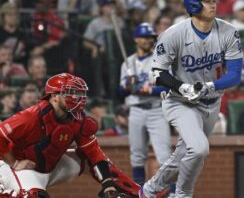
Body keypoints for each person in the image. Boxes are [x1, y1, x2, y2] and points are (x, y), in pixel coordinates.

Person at [140, 0, 243, 197]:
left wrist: (209, 87)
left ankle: (149, 190)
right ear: (193, 5)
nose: (213, 5)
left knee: (184, 155)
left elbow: (235, 75)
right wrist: (182, 87)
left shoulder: (229, 31)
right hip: (180, 101)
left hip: (211, 101)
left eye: (214, 0)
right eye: (207, 1)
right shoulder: (173, 34)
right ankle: (183, 194)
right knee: (198, 149)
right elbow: (158, 72)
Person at [0, 73, 140, 197]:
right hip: (21, 167)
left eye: (79, 94)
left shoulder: (78, 119)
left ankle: (140, 193)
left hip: (50, 166)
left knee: (96, 160)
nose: (78, 98)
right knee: (33, 195)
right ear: (54, 96)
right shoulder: (31, 117)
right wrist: (14, 162)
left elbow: (94, 154)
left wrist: (107, 182)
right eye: (71, 93)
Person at [119, 22, 172, 189]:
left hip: (157, 110)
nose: (148, 40)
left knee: (164, 157)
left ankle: (172, 193)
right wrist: (127, 87)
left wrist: (148, 90)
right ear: (136, 40)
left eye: (151, 37)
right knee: (136, 156)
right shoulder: (127, 64)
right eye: (145, 37)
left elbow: (168, 87)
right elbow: (120, 93)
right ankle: (138, 191)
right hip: (136, 111)